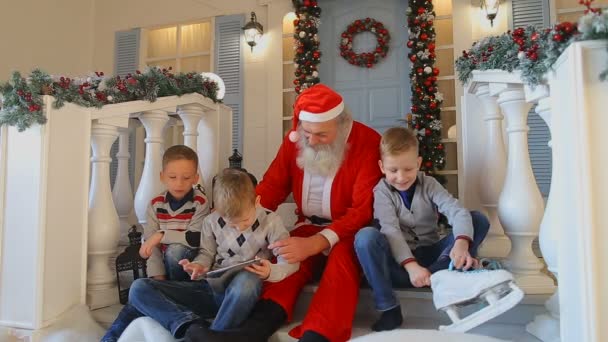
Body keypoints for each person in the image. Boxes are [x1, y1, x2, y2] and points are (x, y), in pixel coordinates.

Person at [194, 84, 383, 342]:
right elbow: (273, 185)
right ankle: (254, 330)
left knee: (341, 260)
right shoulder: (296, 139)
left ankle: (319, 334)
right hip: (306, 224)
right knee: (284, 253)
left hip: (349, 229)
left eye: (321, 134)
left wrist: (318, 242)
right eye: (307, 133)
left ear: (341, 124)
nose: (312, 140)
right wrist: (241, 209)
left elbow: (363, 210)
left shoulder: (368, 142)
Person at [101, 169, 296, 342]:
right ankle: (190, 326)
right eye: (231, 223)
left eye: (244, 220)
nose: (239, 227)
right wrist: (198, 266)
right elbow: (206, 254)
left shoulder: (271, 221)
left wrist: (271, 271)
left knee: (247, 280)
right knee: (138, 288)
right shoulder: (212, 221)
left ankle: (214, 335)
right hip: (210, 289)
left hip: (241, 295)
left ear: (257, 201)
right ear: (218, 210)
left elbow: (290, 262)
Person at [353, 126, 490, 331]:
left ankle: (444, 273)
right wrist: (411, 266)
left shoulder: (430, 184)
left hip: (433, 258)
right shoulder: (381, 192)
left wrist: (461, 243)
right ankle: (389, 308)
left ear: (418, 163)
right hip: (400, 269)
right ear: (382, 167)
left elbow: (457, 212)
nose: (401, 177)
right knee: (365, 238)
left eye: (408, 169)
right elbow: (390, 230)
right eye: (393, 170)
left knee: (477, 219)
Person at [139, 144, 210, 281]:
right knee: (138, 287)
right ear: (162, 176)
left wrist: (161, 235)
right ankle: (168, 290)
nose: (179, 183)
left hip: (191, 265)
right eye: (172, 177)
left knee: (175, 250)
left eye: (186, 178)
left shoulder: (200, 202)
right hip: (165, 266)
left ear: (195, 178)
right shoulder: (155, 204)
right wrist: (158, 279)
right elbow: (152, 246)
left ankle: (179, 290)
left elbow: (194, 238)